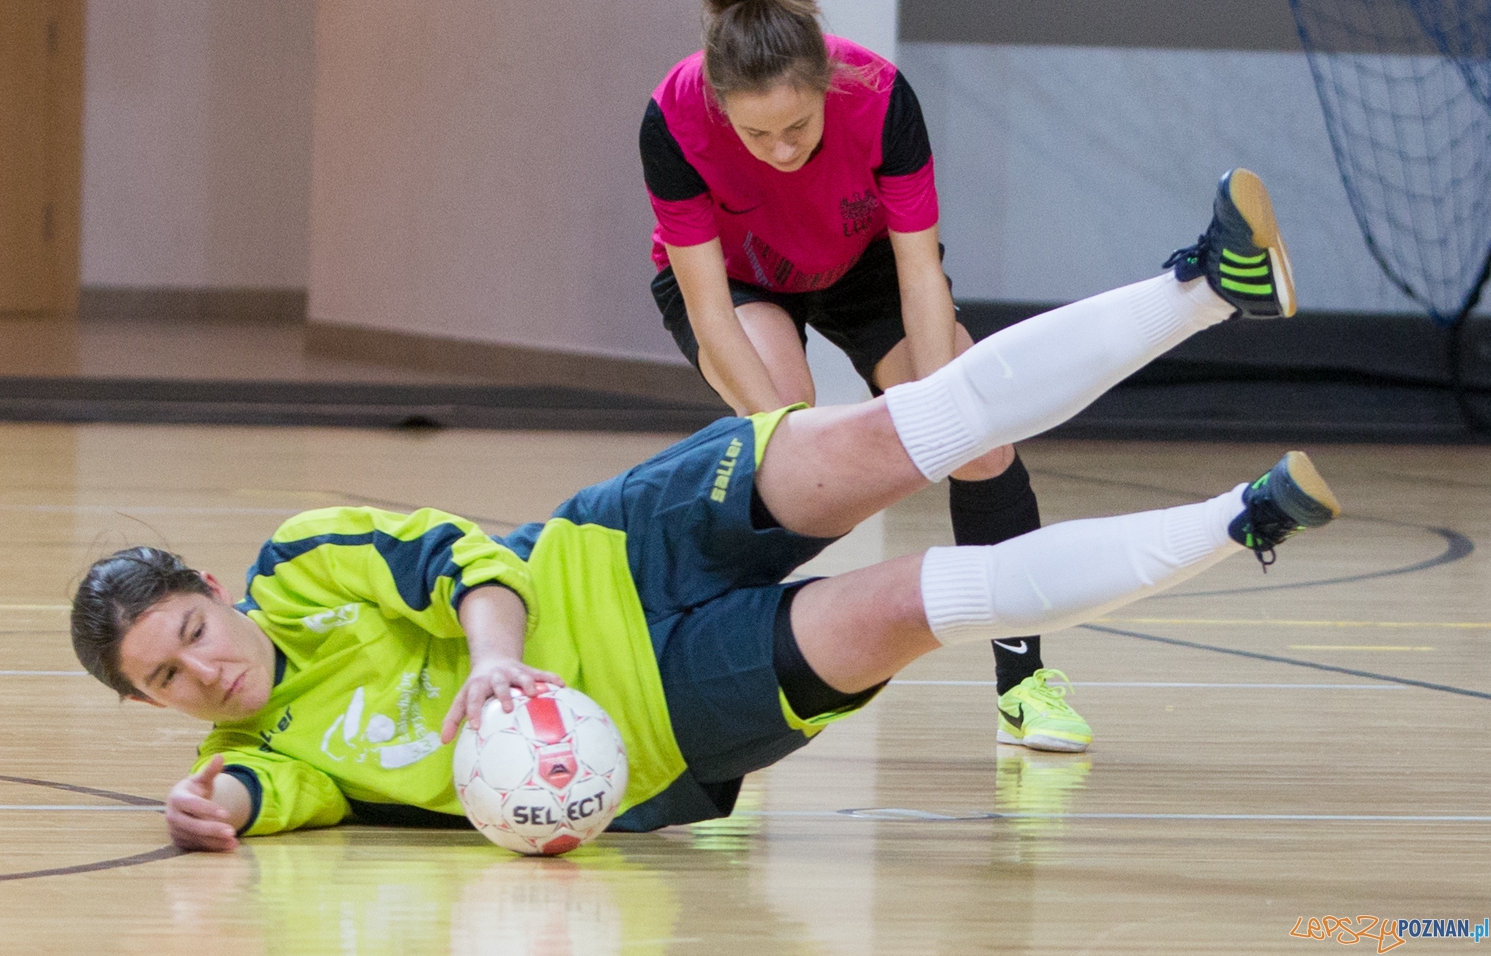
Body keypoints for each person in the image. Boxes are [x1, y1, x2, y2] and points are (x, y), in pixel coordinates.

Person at [71, 171, 1331, 850]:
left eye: (189, 629)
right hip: (666, 714)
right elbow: (257, 796)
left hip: (615, 541)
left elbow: (458, 557)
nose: (204, 668)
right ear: (152, 710)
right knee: (917, 602)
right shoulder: (268, 754)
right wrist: (212, 812)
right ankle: (1243, 518)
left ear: (213, 595)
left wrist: (497, 665)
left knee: (901, 431)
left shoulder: (297, 563)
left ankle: (1201, 285)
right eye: (166, 680)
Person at [641, 0, 1088, 751]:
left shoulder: (880, 96)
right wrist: (796, 442)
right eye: (757, 134)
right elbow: (710, 313)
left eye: (798, 126)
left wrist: (943, 413)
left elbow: (921, 273)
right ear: (720, 108)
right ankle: (706, 695)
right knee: (785, 447)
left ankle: (1025, 686)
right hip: (741, 284)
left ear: (827, 86)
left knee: (982, 438)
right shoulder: (673, 117)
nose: (781, 150)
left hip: (867, 268)